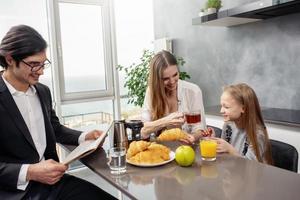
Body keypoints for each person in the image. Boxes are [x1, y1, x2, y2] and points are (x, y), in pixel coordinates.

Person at [0, 25, 116, 199]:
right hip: (12, 192)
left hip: (51, 184)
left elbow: (54, 129)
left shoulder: (43, 92)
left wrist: (84, 137)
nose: (40, 71)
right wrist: (30, 172)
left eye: (43, 64)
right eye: (33, 64)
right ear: (9, 59)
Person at [186, 83, 273, 164]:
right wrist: (213, 140)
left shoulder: (258, 134)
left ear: (243, 108)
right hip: (233, 174)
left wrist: (230, 150)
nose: (221, 111)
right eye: (221, 106)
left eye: (226, 107)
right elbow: (224, 157)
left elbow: (251, 166)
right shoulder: (228, 125)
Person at [141, 50, 206, 139]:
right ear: (157, 79)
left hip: (188, 149)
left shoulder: (192, 91)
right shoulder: (151, 92)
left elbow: (200, 129)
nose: (172, 82)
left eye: (175, 75)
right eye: (165, 78)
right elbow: (143, 130)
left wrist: (192, 137)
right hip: (161, 149)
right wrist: (166, 121)